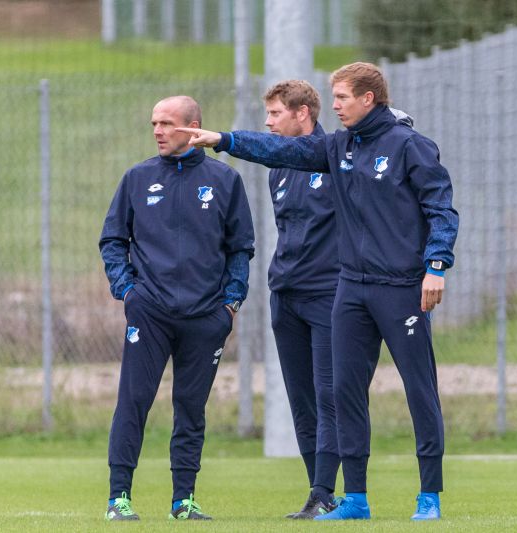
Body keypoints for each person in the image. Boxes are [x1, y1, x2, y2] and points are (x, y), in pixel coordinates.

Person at [178, 62, 459, 521]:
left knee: (419, 389)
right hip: (351, 288)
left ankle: (429, 495)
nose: (336, 106)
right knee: (343, 393)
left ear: (368, 98)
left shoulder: (410, 146)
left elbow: (441, 209)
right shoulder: (337, 147)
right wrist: (225, 140)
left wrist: (436, 265)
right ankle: (356, 499)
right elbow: (280, 149)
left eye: (343, 98)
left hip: (401, 287)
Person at [99, 95, 255, 521]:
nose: (158, 131)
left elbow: (241, 248)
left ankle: (183, 501)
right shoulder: (137, 178)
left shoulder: (225, 180)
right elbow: (113, 240)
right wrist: (128, 292)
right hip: (150, 313)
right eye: (154, 123)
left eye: (167, 123)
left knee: (190, 408)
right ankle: (118, 499)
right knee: (134, 401)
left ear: (194, 126)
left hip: (206, 318)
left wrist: (230, 304)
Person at [259, 80, 342, 519]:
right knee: (302, 400)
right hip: (285, 296)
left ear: (302, 113)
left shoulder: (334, 158)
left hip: (328, 294)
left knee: (330, 396)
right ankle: (318, 492)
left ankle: (325, 491)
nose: (268, 122)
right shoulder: (279, 167)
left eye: (275, 114)